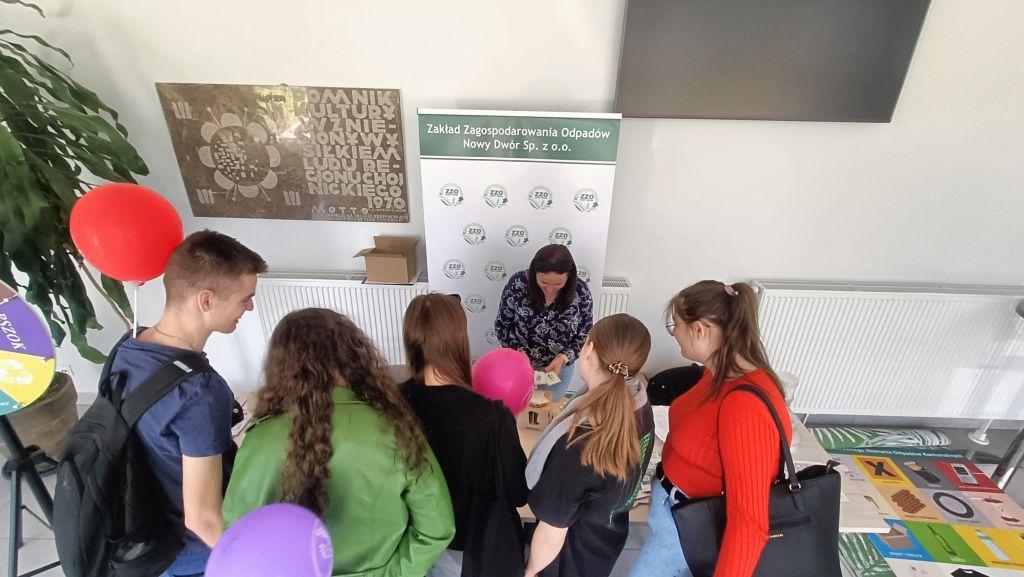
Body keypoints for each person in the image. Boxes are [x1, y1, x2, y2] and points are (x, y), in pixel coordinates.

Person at [222, 308, 455, 577]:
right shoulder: (395, 428)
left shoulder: (259, 440)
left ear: (281, 367)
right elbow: (437, 527)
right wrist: (395, 573)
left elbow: (237, 536)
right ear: (352, 356)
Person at [108, 230, 266, 577]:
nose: (249, 307)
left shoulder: (129, 347)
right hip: (190, 552)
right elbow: (203, 519)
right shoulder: (199, 393)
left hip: (143, 531)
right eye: (245, 298)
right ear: (206, 300)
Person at [628, 281, 792, 577]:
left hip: (691, 528)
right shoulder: (717, 374)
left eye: (675, 325)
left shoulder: (744, 406)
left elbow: (749, 523)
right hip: (676, 515)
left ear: (700, 329)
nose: (674, 334)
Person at [399, 294, 529, 577]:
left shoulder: (391, 403)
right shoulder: (492, 416)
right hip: (469, 551)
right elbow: (519, 493)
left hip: (411, 546)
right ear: (459, 341)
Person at [523, 314, 655, 577]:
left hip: (567, 554)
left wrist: (530, 572)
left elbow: (552, 534)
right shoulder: (640, 404)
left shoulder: (580, 441)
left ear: (589, 349)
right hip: (605, 538)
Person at [495, 244, 593, 400]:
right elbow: (502, 325)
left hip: (559, 369)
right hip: (519, 365)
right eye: (544, 283)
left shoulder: (580, 291)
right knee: (516, 408)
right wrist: (519, 353)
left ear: (569, 276)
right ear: (534, 273)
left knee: (549, 410)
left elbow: (584, 334)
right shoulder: (518, 284)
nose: (550, 290)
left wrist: (563, 358)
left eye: (558, 284)